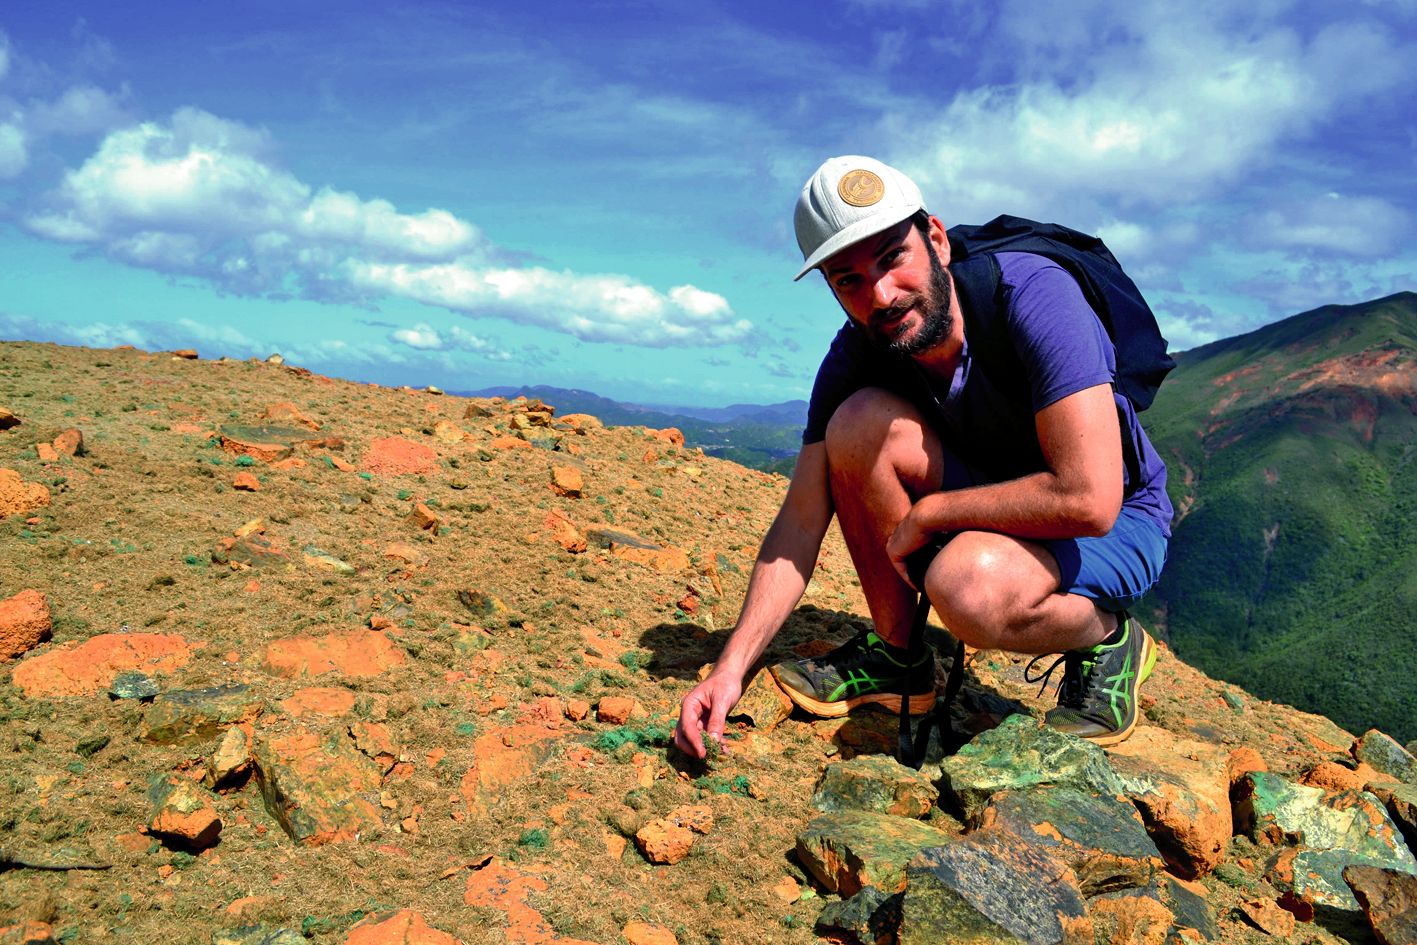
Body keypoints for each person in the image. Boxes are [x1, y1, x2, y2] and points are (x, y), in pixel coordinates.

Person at [673, 155, 1172, 760]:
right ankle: (899, 659)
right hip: (999, 497)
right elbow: (800, 520)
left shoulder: (1036, 295)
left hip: (1120, 518)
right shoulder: (858, 354)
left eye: (892, 257)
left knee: (967, 586)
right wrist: (731, 669)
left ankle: (1108, 637)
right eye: (847, 279)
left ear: (936, 238)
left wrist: (932, 514)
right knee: (855, 425)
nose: (880, 294)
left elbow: (1089, 500)